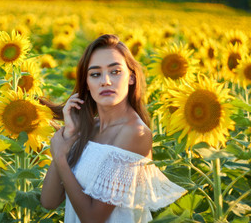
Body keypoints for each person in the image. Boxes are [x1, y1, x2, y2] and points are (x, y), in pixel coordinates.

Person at [40, 34, 186, 223]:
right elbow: (49, 201)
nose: (105, 81)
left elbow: (93, 219)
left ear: (131, 78)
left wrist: (60, 156)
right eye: (95, 74)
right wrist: (68, 135)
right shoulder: (89, 129)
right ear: (87, 84)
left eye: (115, 71)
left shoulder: (135, 134)